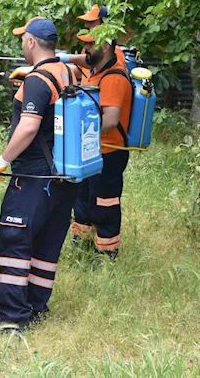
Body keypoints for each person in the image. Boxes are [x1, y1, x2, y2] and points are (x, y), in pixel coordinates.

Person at [0, 17, 79, 333]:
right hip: (63, 176)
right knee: (47, 244)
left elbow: (29, 126)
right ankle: (35, 307)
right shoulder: (67, 71)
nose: (22, 43)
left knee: (14, 241)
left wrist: (2, 161)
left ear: (32, 42)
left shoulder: (37, 80)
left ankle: (12, 316)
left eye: (23, 38)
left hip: (34, 178)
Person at [73, 31, 133, 258]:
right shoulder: (94, 71)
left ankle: (107, 254)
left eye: (90, 44)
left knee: (104, 204)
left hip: (109, 152)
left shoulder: (113, 78)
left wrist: (78, 136)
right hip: (91, 150)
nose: (85, 49)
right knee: (83, 200)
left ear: (105, 47)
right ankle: (83, 246)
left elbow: (110, 121)